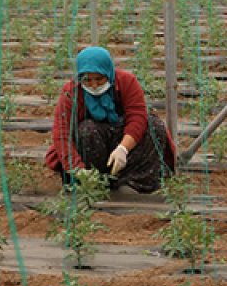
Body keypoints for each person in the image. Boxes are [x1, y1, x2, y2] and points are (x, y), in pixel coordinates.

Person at [44, 46, 175, 193]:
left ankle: (133, 182)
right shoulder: (72, 92)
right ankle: (94, 182)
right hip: (93, 142)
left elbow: (137, 117)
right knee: (87, 130)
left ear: (109, 73)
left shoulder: (126, 82)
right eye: (87, 80)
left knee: (153, 125)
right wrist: (77, 168)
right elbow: (62, 133)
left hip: (122, 134)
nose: (94, 85)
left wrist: (123, 148)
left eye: (99, 79)